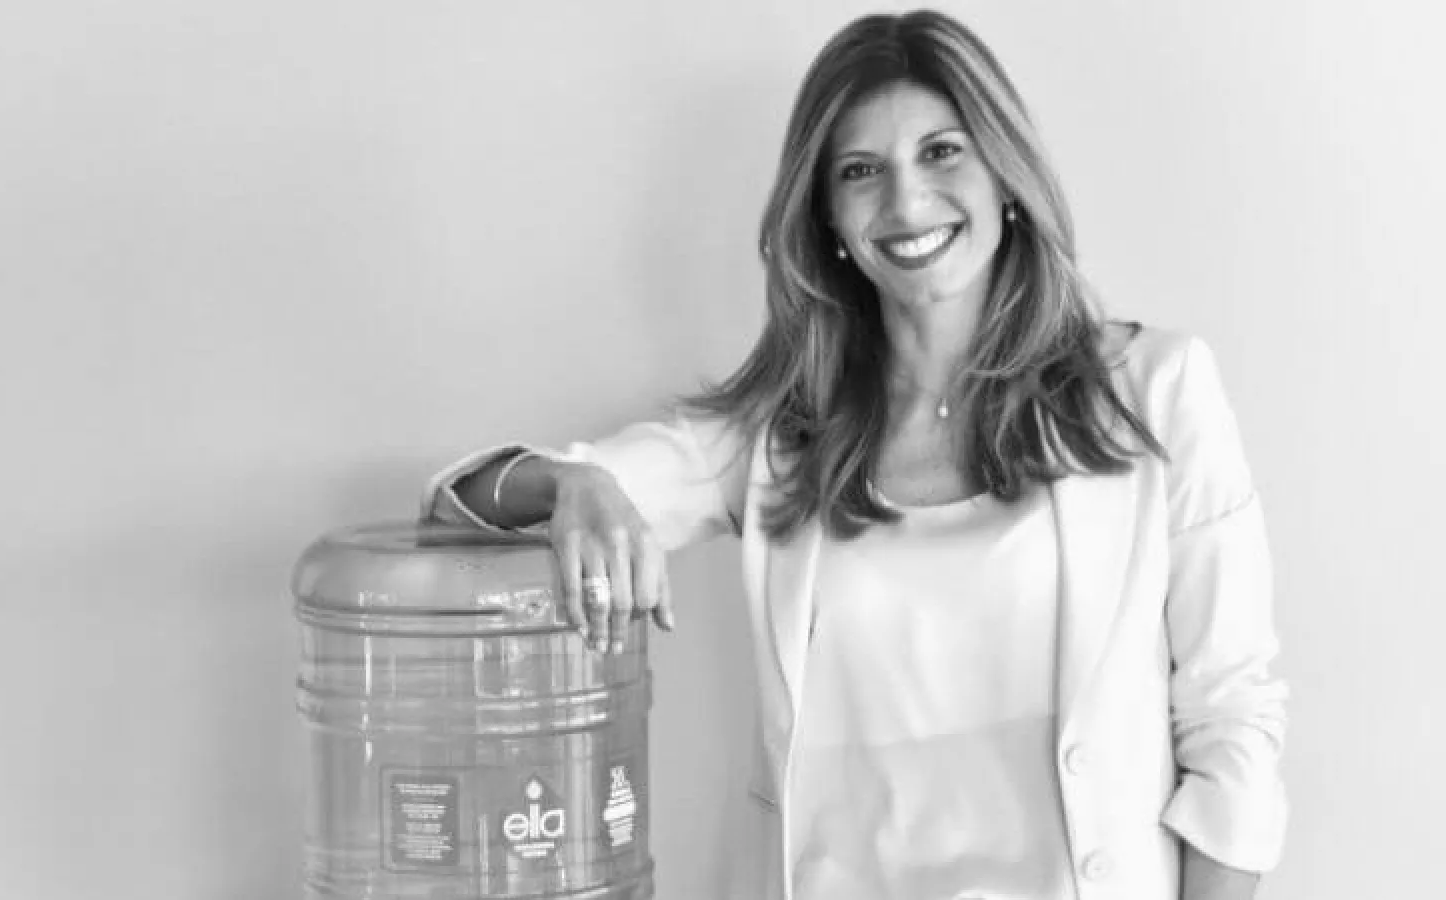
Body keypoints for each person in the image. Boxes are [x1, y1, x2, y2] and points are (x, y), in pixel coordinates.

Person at [422, 9, 1286, 900]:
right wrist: (576, 483)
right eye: (862, 171)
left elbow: (1233, 720)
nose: (907, 204)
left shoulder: (1150, 393)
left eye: (942, 152)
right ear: (829, 216)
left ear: (1006, 174)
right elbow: (462, 499)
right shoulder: (778, 437)